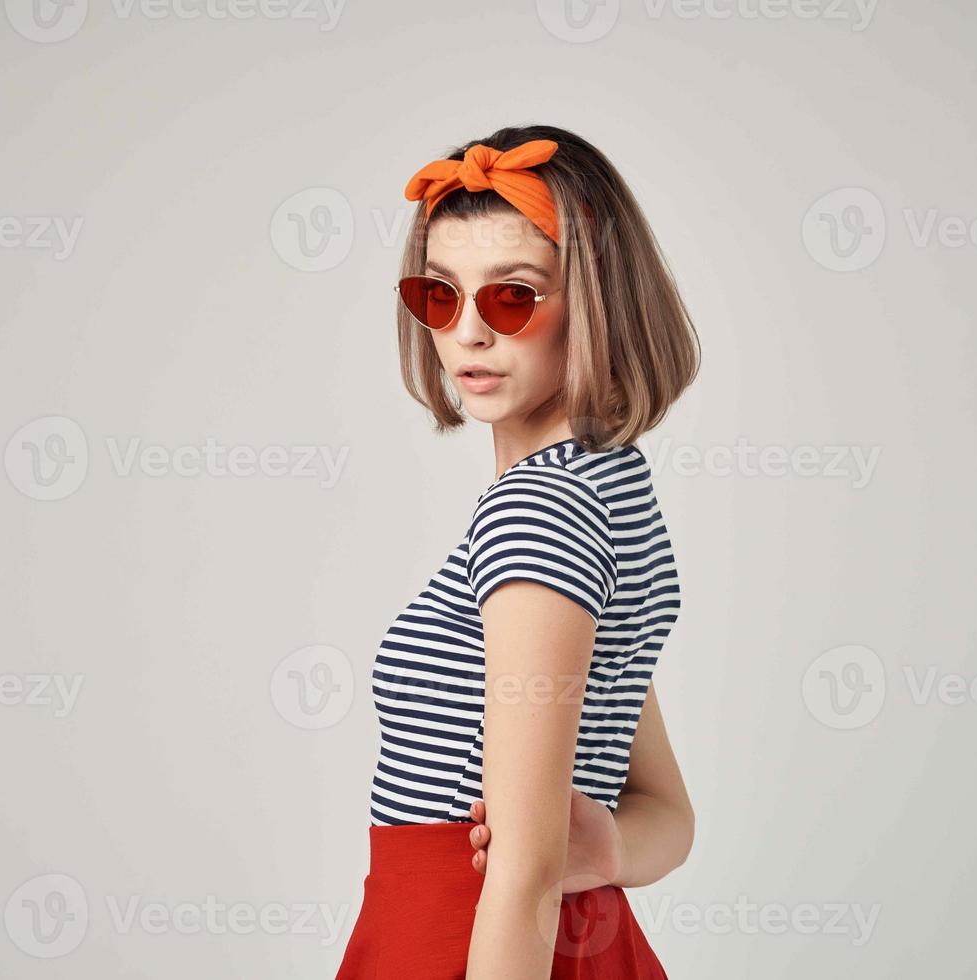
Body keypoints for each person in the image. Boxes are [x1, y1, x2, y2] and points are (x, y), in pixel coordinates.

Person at [333, 124, 700, 980]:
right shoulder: (609, 487)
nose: (466, 334)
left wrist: (552, 867)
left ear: (597, 299)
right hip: (565, 940)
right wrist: (604, 851)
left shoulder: (538, 512)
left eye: (512, 297)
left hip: (470, 944)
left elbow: (527, 868)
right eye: (438, 296)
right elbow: (665, 816)